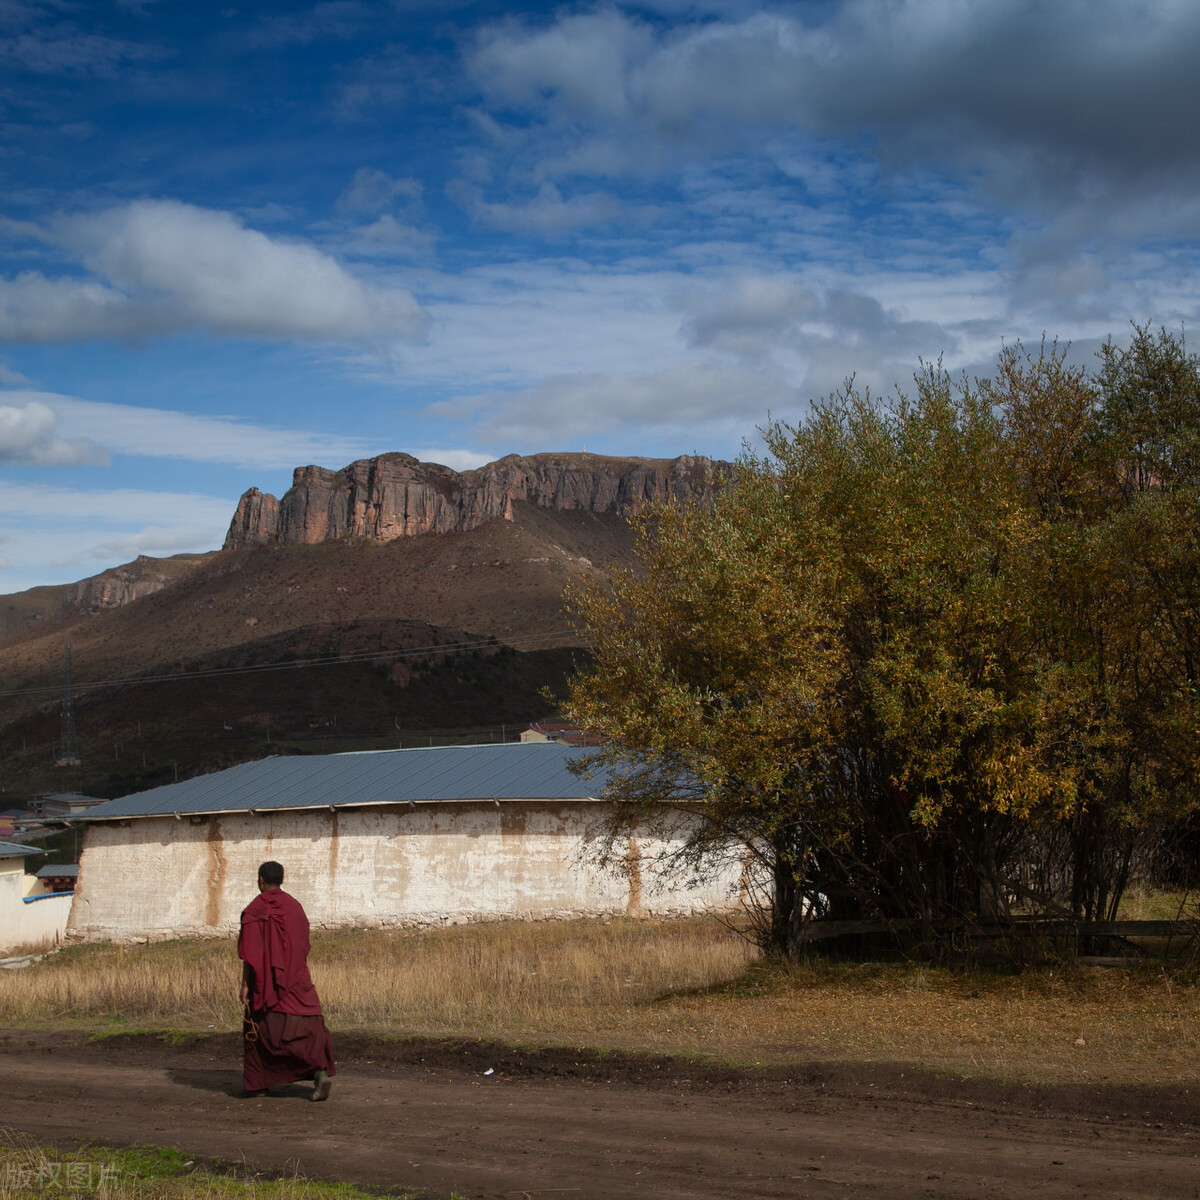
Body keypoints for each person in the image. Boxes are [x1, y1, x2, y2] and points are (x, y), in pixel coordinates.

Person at [238, 860, 336, 1100]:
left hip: (265, 983)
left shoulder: (254, 910)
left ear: (261, 880)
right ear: (282, 879)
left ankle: (259, 1083)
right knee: (309, 1027)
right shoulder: (295, 908)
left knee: (259, 1029)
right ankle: (319, 1073)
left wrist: (246, 984)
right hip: (296, 980)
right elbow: (303, 944)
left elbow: (250, 955)